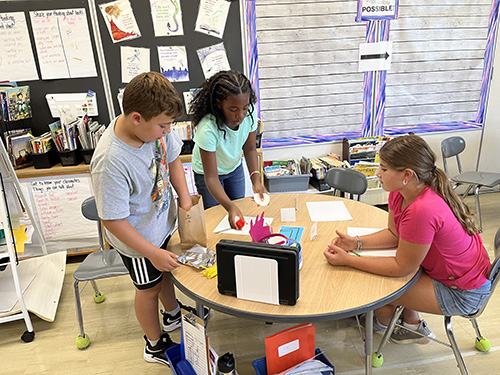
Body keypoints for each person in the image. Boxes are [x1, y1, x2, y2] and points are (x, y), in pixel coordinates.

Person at [324, 135, 492, 344]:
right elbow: (395, 235)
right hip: (456, 276)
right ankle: (411, 323)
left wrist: (348, 260)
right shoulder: (402, 191)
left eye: (384, 169)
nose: (378, 174)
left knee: (374, 289)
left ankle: (389, 327)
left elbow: (400, 267)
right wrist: (357, 242)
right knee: (380, 275)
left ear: (407, 174)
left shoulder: (422, 209)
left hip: (464, 292)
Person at [91, 72, 206, 366]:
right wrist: (152, 252)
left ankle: (171, 315)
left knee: (166, 272)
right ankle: (154, 345)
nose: (168, 131)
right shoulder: (111, 160)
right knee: (148, 288)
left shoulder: (158, 128)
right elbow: (112, 220)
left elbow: (173, 161)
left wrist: (183, 196)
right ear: (137, 118)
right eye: (164, 126)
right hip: (138, 241)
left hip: (160, 223)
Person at [190, 70, 267, 229]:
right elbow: (211, 178)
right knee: (216, 217)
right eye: (233, 109)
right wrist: (230, 206)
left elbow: (250, 149)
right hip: (208, 175)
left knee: (239, 212)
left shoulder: (249, 115)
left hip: (234, 168)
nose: (240, 115)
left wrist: (256, 180)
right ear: (219, 104)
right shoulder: (208, 128)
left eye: (244, 108)